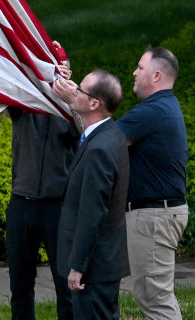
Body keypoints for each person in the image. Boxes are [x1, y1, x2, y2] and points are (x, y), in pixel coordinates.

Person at [118, 47, 189, 320]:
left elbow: (103, 142)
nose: (134, 73)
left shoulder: (153, 111)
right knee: (155, 296)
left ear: (156, 75)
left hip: (154, 217)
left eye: (140, 67)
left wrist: (74, 101)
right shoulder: (162, 108)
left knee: (155, 300)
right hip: (159, 214)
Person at [53, 70, 130, 320]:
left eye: (80, 89)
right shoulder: (108, 135)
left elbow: (93, 212)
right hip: (103, 264)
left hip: (94, 269)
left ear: (95, 103)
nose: (73, 91)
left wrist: (78, 266)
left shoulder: (99, 147)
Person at [6, 53, 78, 320]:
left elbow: (86, 133)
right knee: (20, 284)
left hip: (58, 206)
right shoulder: (23, 102)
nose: (53, 77)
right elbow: (4, 91)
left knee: (66, 284)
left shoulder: (75, 104)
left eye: (58, 71)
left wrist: (70, 100)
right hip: (21, 203)